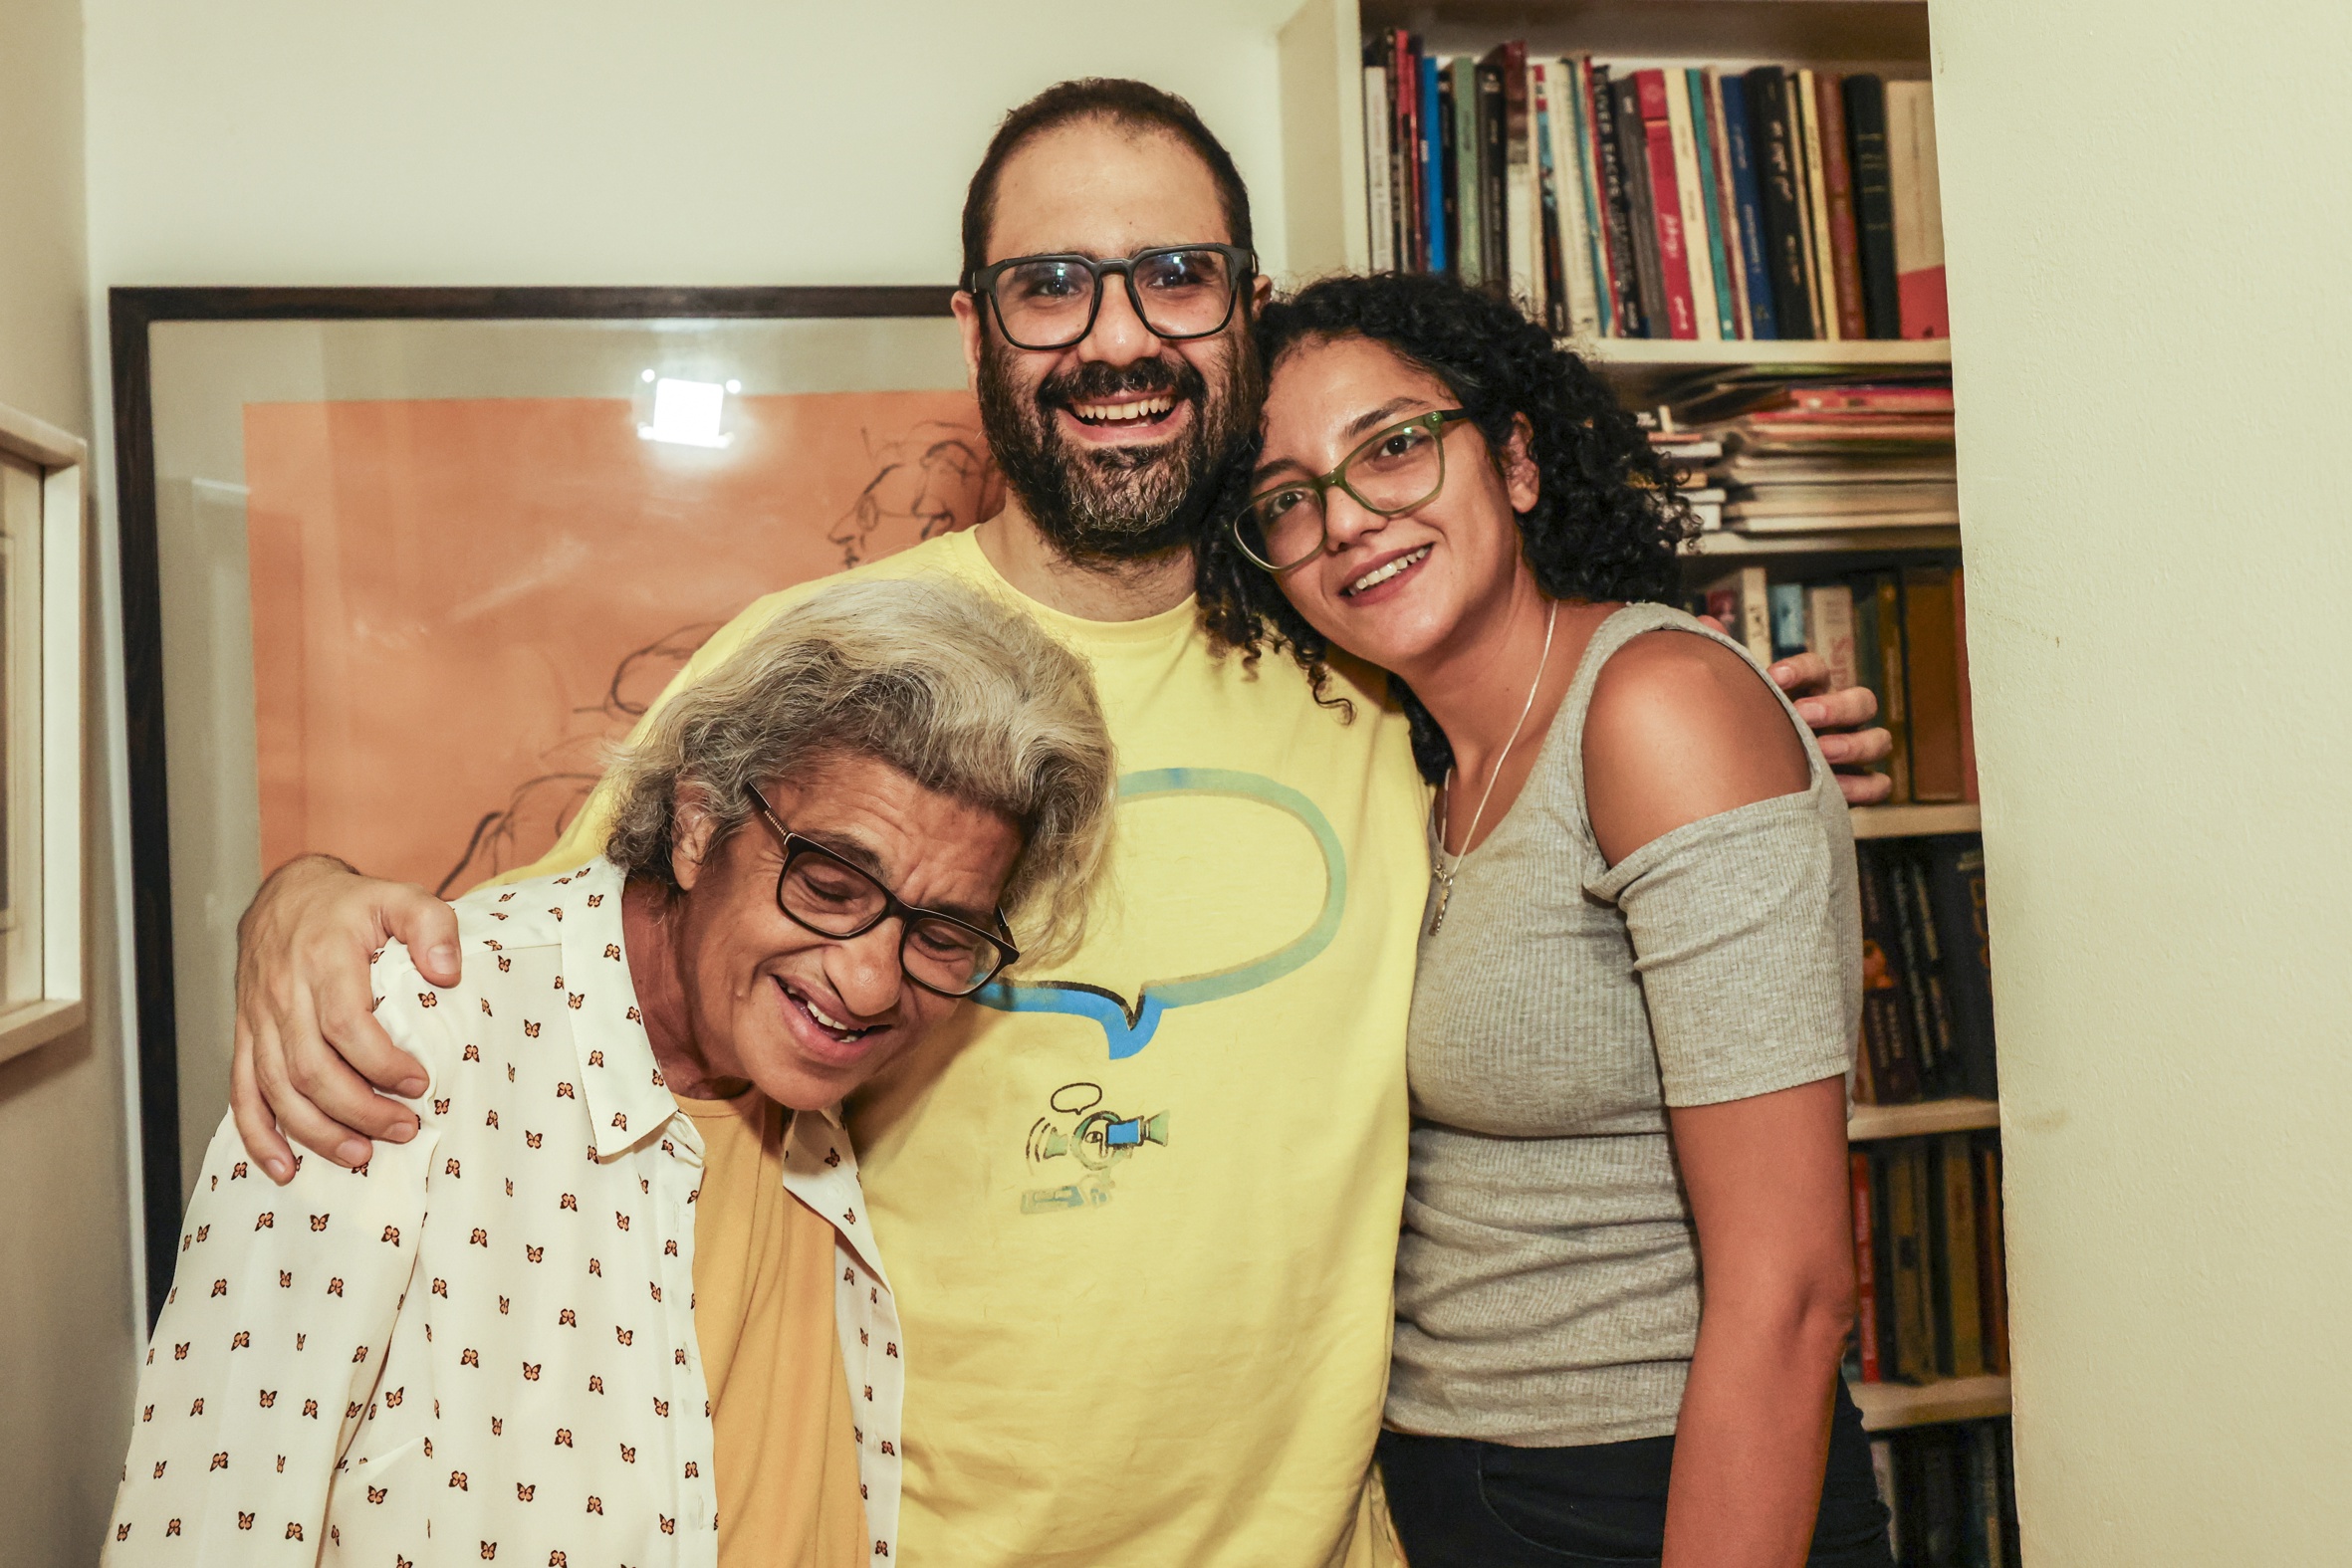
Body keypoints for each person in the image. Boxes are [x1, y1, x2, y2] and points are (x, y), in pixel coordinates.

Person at [217, 82, 1891, 1564]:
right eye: (1049, 285)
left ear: (1243, 311)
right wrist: (302, 897)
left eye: (1174, 275)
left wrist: (1723, 732)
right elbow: (569, 967)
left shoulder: (1358, 659)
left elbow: (1564, 739)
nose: (1116, 337)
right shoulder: (830, 660)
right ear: (977, 329)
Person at [105, 579, 1117, 1567]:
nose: (869, 981)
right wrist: (295, 897)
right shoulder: (401, 1036)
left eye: (939, 933)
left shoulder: (825, 1072)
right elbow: (207, 1517)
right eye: (830, 883)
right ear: (696, 825)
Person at [1195, 270, 1895, 1568]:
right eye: (1287, 498)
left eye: (1391, 446)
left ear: (1514, 460)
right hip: (1454, 1488)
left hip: (1650, 1489)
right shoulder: (1403, 766)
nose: (1345, 520)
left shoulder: (1655, 707)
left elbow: (1794, 1294)